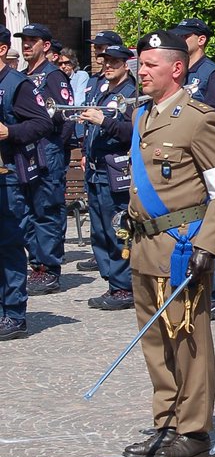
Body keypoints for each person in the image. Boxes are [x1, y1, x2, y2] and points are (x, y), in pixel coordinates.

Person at [122, 31, 215, 457]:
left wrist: (209, 244)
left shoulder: (199, 119)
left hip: (181, 247)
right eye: (141, 64)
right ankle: (165, 421)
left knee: (188, 339)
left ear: (177, 68)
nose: (142, 72)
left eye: (150, 65)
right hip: (144, 243)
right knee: (155, 342)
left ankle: (193, 429)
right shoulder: (142, 117)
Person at [172, 19, 215, 318]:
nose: (181, 39)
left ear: (202, 39)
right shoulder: (182, 71)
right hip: (182, 160)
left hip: (206, 156)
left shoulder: (212, 73)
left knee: (211, 221)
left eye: (186, 35)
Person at [0, 25, 51, 339]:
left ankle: (14, 313)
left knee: (8, 246)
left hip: (7, 179)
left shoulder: (17, 84)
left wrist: (9, 132)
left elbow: (42, 123)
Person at [15, 23, 73, 295]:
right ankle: (36, 261)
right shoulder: (24, 76)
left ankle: (48, 269)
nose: (27, 45)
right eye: (24, 41)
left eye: (32, 41)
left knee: (46, 210)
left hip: (47, 151)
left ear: (46, 45)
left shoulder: (53, 76)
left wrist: (57, 151)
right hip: (26, 152)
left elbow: (66, 116)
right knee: (26, 211)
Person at [79, 44, 137, 310]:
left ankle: (124, 285)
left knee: (117, 228)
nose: (108, 65)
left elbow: (131, 132)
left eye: (114, 61)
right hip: (95, 168)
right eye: (105, 61)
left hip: (116, 171)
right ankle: (112, 281)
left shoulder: (132, 94)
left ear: (126, 64)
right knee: (100, 231)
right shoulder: (102, 90)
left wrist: (104, 122)